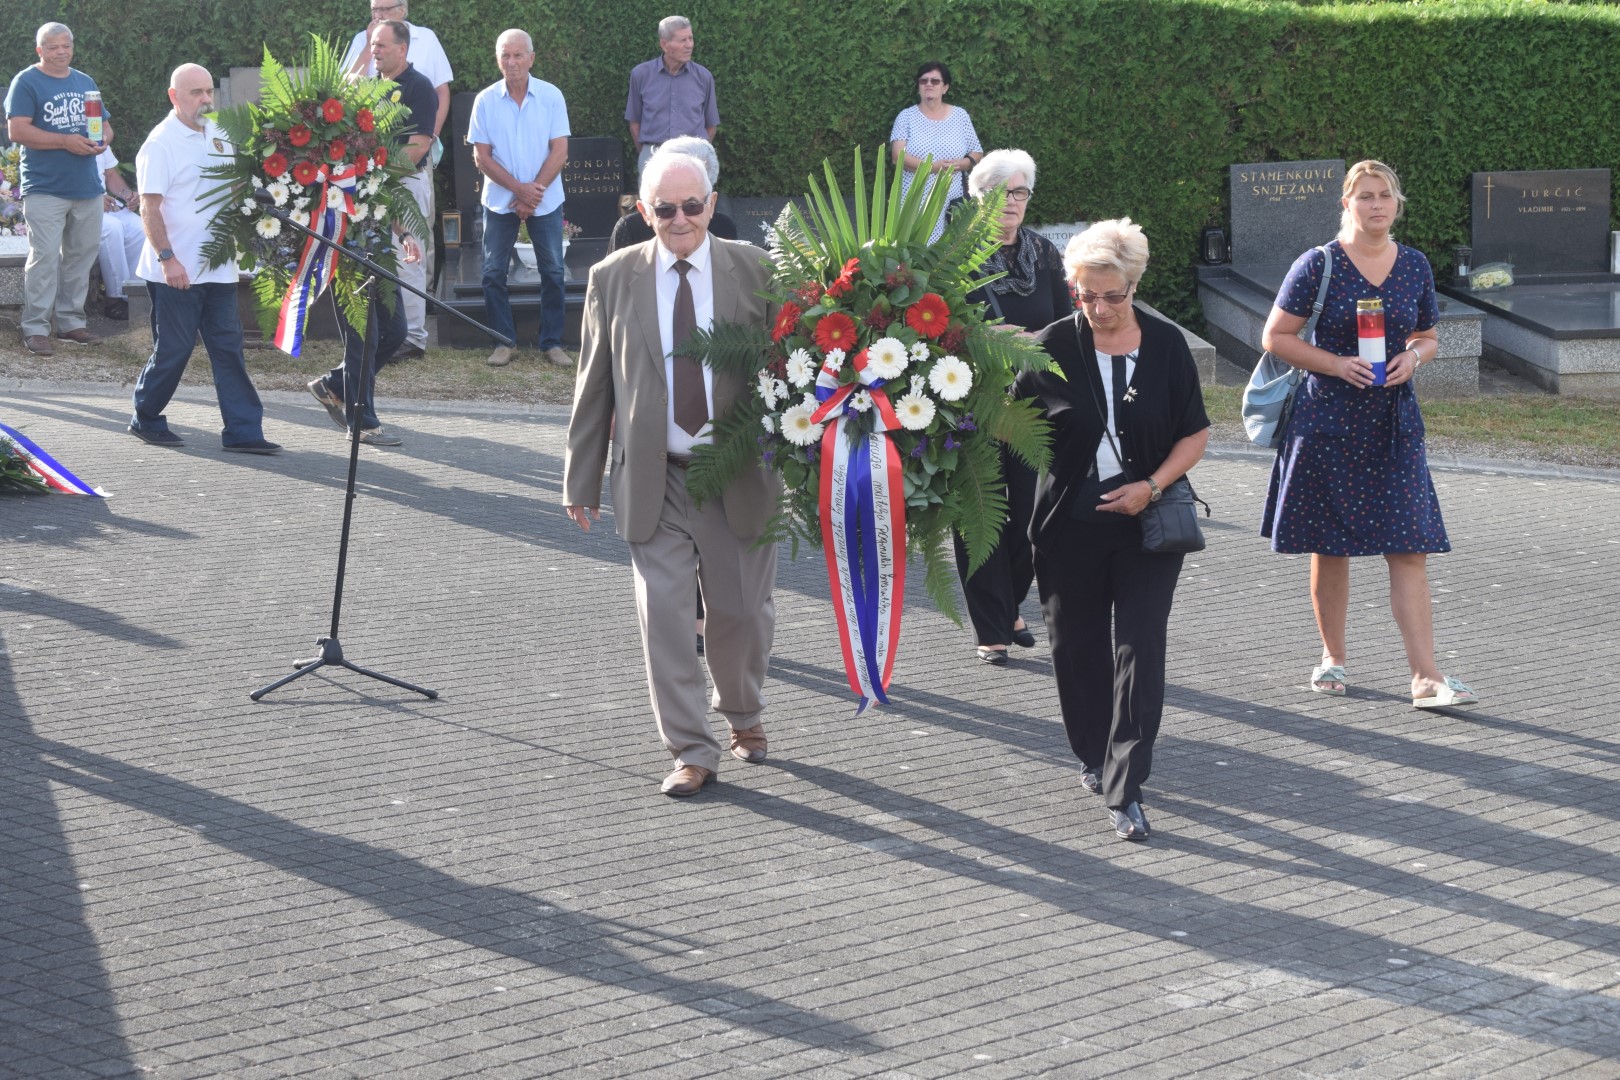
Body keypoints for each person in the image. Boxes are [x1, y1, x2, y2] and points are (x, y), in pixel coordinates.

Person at [563, 151, 779, 798]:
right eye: (664, 208)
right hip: (654, 479)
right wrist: (580, 479)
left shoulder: (756, 269)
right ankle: (690, 748)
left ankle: (742, 710)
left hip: (736, 472)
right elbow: (593, 382)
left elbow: (794, 369)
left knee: (741, 614)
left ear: (711, 204)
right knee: (664, 618)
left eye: (691, 205)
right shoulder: (612, 277)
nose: (679, 218)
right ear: (642, 209)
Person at [1016, 219, 1210, 841]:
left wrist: (1150, 485)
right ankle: (1093, 753)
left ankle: (1125, 784)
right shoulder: (1050, 344)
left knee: (1139, 646)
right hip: (1069, 525)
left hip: (1148, 523)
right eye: (1086, 296)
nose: (1099, 308)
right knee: (1077, 648)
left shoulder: (1167, 344)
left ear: (1134, 286)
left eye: (1112, 296)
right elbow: (1006, 423)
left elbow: (1195, 433)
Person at [1259, 159, 1477, 711]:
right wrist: (1335, 364)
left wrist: (1414, 357)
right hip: (1327, 422)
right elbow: (1276, 337)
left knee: (1410, 548)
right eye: (1365, 196)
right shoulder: (1318, 263)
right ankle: (1332, 657)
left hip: (1393, 425)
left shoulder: (1414, 265)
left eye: (1384, 195)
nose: (1376, 204)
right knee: (1331, 548)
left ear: (1397, 204)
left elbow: (1428, 335)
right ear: (1347, 204)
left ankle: (1425, 677)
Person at [956, 149, 1072, 665]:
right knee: (980, 513)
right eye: (999, 192)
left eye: (1020, 191)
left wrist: (1039, 348)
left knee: (1032, 515)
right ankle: (992, 627)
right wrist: (988, 339)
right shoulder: (953, 255)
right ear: (976, 198)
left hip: (1033, 403)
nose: (1011, 202)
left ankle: (1010, 607)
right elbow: (936, 327)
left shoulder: (1044, 253)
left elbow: (1067, 324)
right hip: (971, 403)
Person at [127, 64, 279, 455]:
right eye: (195, 92)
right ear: (173, 96)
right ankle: (146, 416)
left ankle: (243, 431)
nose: (206, 100)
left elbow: (234, 187)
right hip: (175, 270)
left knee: (229, 348)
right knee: (174, 350)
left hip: (219, 266)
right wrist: (167, 259)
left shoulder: (219, 133)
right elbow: (149, 207)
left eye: (209, 91)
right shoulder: (160, 143)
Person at [468, 29, 571, 369]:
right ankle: (504, 341)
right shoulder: (485, 100)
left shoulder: (551, 96)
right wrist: (518, 189)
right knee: (492, 272)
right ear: (498, 59)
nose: (511, 62)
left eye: (518, 55)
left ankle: (552, 342)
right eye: (505, 55)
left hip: (545, 200)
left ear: (531, 58)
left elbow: (560, 151)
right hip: (500, 202)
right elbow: (481, 157)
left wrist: (532, 192)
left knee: (553, 271)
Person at [5, 22, 105, 356]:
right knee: (45, 258)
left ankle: (71, 323)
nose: (61, 52)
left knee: (81, 258)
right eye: (53, 47)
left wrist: (103, 140)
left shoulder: (85, 81)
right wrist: (64, 141)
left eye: (66, 45)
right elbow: (17, 131)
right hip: (45, 187)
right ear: (40, 50)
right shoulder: (26, 81)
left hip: (86, 186)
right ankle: (35, 327)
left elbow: (104, 125)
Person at [305, 228, 423, 448]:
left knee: (395, 332)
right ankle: (362, 425)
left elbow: (391, 207)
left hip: (380, 252)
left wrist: (405, 234)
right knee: (363, 341)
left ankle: (333, 385)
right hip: (347, 254)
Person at [364, 19, 437, 360]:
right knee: (379, 258)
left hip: (405, 182)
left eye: (381, 45)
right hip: (374, 184)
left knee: (408, 260)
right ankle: (389, 332)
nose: (374, 51)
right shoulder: (370, 87)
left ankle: (413, 339)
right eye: (373, 45)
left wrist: (381, 174)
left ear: (402, 49)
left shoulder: (419, 87)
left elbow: (419, 145)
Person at [888, 61, 981, 243]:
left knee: (948, 251)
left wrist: (962, 164)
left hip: (952, 200)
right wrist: (933, 167)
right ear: (918, 87)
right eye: (923, 81)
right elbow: (897, 156)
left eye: (935, 81)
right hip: (914, 200)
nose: (928, 84)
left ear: (945, 87)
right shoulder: (906, 117)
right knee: (914, 252)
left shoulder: (960, 116)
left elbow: (977, 152)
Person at [340, 0, 452, 150]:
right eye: (374, 10)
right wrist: (369, 45)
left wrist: (433, 133)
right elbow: (347, 87)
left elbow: (442, 90)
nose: (378, 16)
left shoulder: (426, 38)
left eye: (384, 9)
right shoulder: (362, 39)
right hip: (373, 143)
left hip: (419, 137)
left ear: (402, 10)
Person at [624, 16, 718, 176]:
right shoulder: (641, 75)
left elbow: (711, 125)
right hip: (653, 157)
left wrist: (697, 152)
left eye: (690, 38)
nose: (689, 45)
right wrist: (646, 153)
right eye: (683, 40)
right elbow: (634, 122)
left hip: (694, 159)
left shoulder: (704, 77)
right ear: (664, 45)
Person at [607, 136, 736, 252]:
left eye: (692, 206)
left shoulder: (723, 226)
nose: (680, 221)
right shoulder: (630, 228)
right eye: (665, 209)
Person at [94, 145, 143, 320]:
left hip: (106, 205)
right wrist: (92, 199)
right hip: (80, 206)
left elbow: (110, 174)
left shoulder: (97, 136)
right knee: (112, 229)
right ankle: (116, 299)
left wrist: (128, 195)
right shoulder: (65, 136)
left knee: (140, 228)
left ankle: (138, 296)